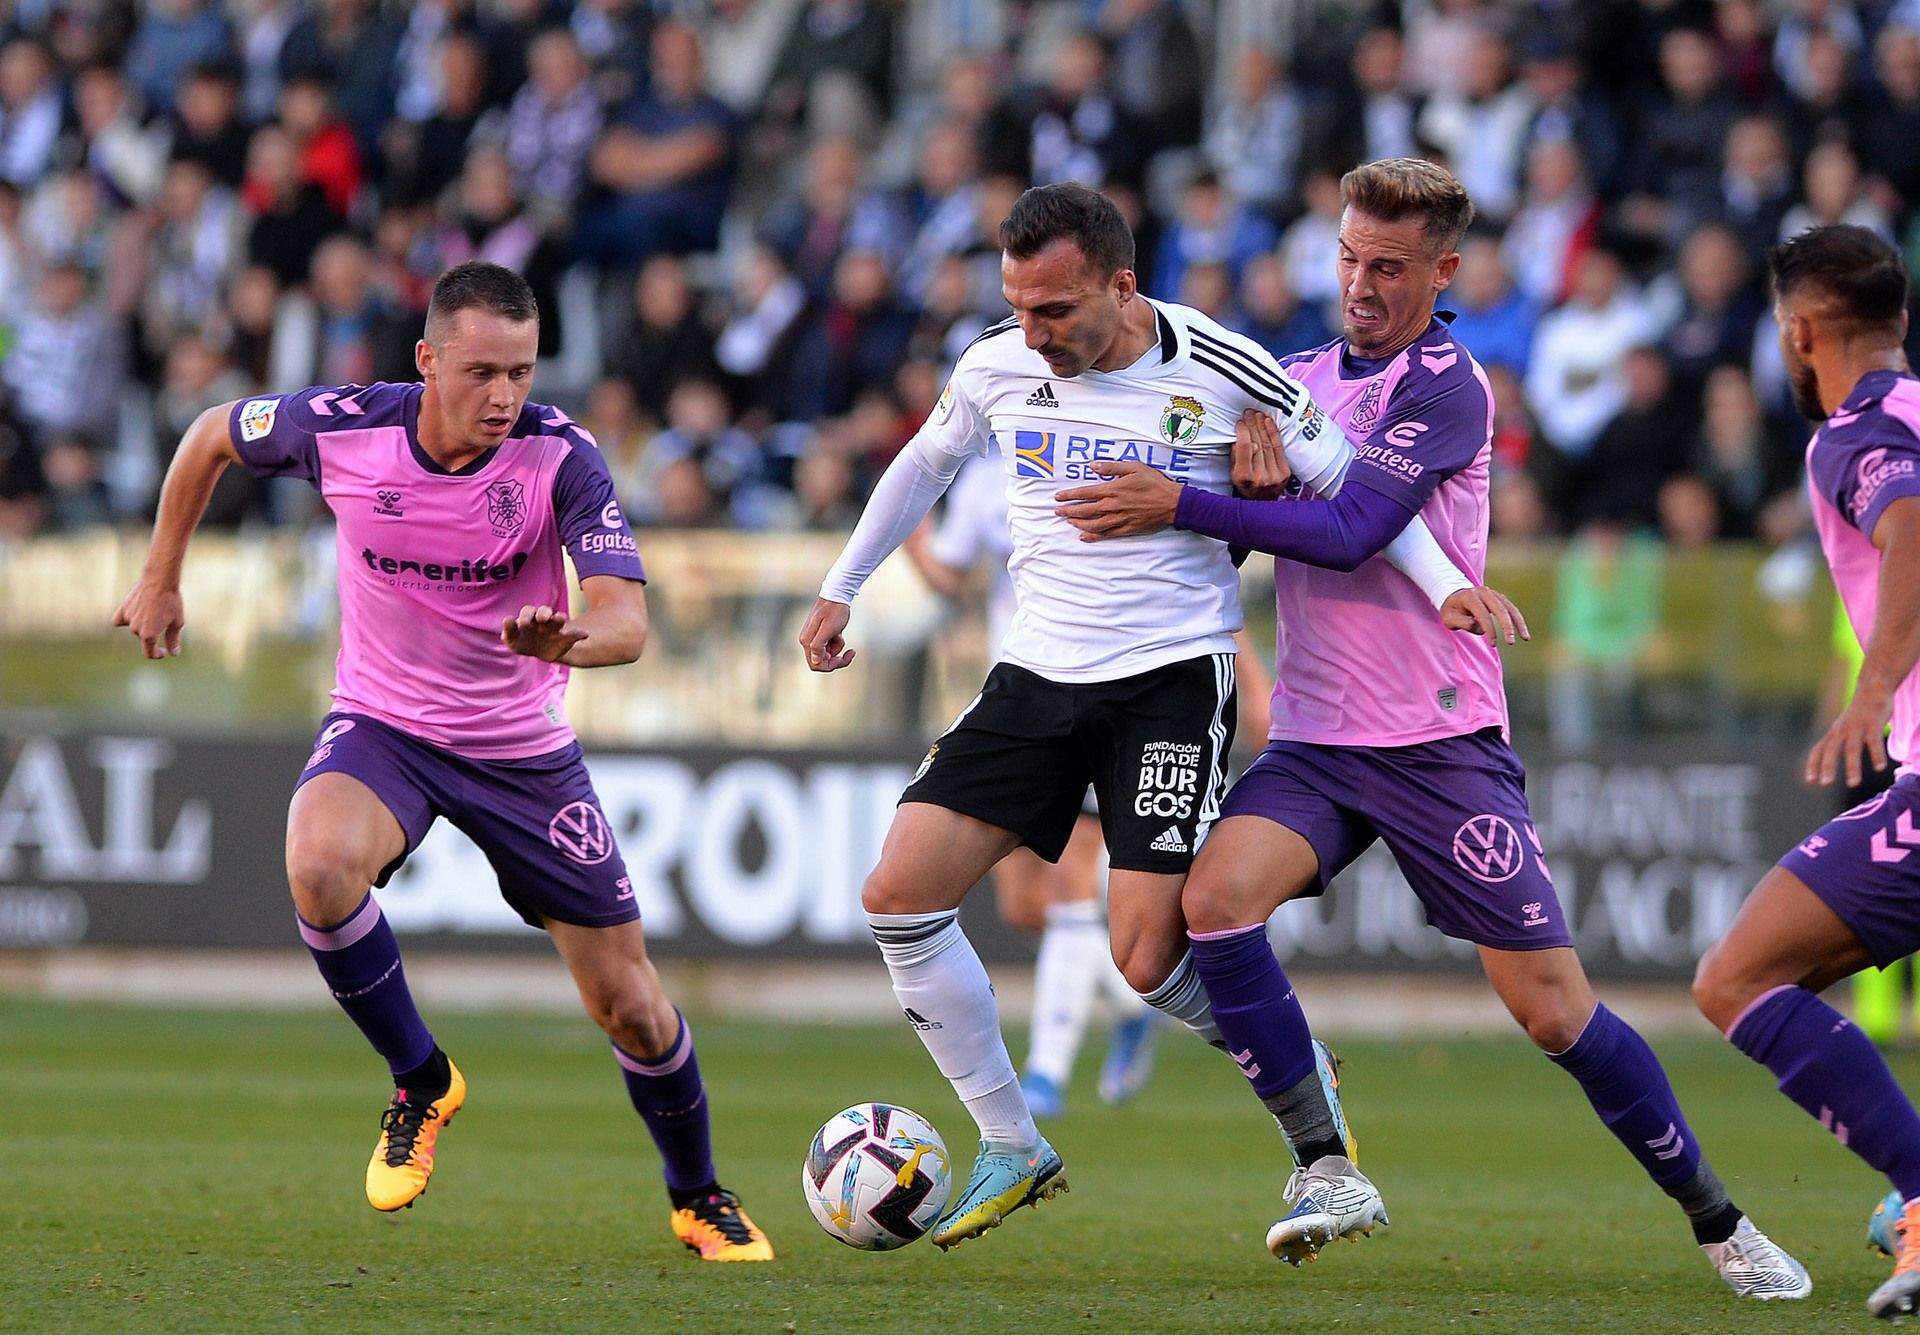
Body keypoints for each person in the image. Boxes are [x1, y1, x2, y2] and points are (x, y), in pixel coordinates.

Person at [1056, 158, 1805, 1299]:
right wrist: (1229, 494)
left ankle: (1720, 1219)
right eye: (1349, 258)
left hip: (1438, 743)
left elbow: (1356, 527)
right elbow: (1240, 530)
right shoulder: (1293, 379)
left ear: (1443, 271)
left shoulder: (1450, 386)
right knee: (1211, 905)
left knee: (1554, 1012)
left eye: (1389, 267)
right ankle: (1324, 1161)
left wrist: (1195, 501)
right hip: (1315, 740)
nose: (1361, 283)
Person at [797, 182, 1518, 1250]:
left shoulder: (1225, 364)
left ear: (1121, 286)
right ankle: (1013, 1142)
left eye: (1057, 313)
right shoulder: (996, 362)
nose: (1033, 337)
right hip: (1034, 678)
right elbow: (927, 463)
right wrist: (842, 584)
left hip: (1171, 679)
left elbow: (1346, 481)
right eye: (1018, 307)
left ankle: (1304, 1110)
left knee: (1144, 953)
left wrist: (1444, 576)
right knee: (898, 899)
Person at [110, 261, 772, 1263]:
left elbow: (627, 623)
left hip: (522, 753)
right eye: (481, 372)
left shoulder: (561, 458)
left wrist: (571, 644)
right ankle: (422, 1081)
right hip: (386, 727)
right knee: (318, 866)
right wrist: (160, 578)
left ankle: (699, 1196)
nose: (504, 395)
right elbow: (210, 435)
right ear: (427, 360)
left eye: (521, 370)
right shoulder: (345, 426)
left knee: (629, 1005)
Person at [1690, 224, 1920, 1319]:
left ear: (1800, 332)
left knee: (1737, 978)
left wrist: (1872, 692)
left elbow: (1912, 528)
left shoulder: (1855, 433)